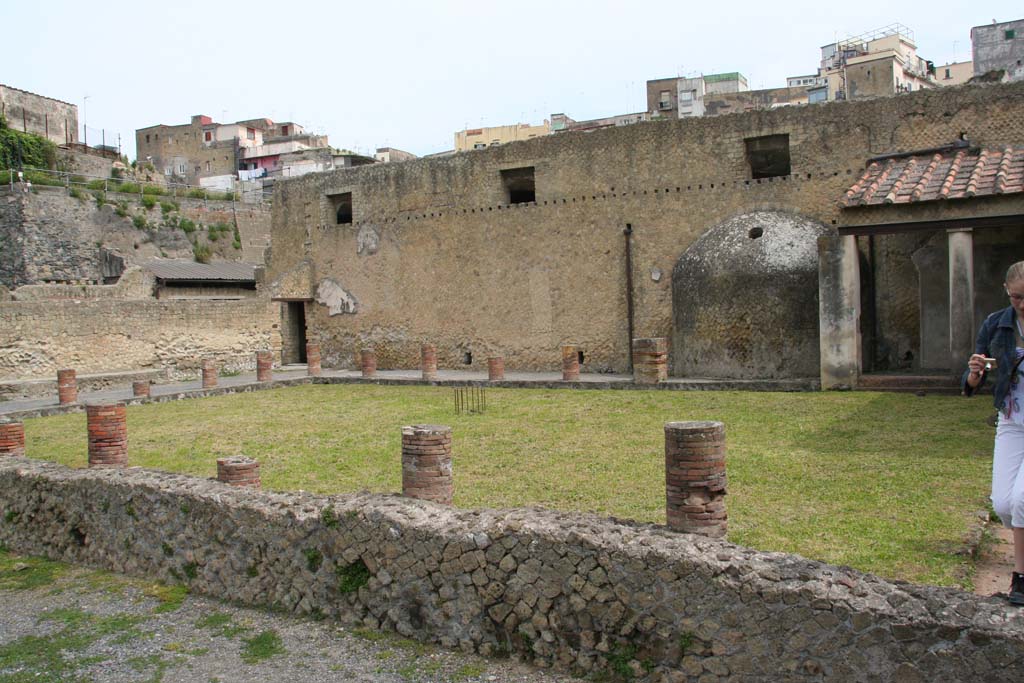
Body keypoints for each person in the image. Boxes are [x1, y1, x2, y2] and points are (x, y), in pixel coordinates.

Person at [964, 260, 1024, 605]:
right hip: (1012, 418)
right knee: (1003, 503)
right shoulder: (996, 325)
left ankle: (1020, 578)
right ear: (1007, 291)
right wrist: (974, 373)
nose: (1022, 304)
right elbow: (974, 381)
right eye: (1017, 297)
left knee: (1021, 500)